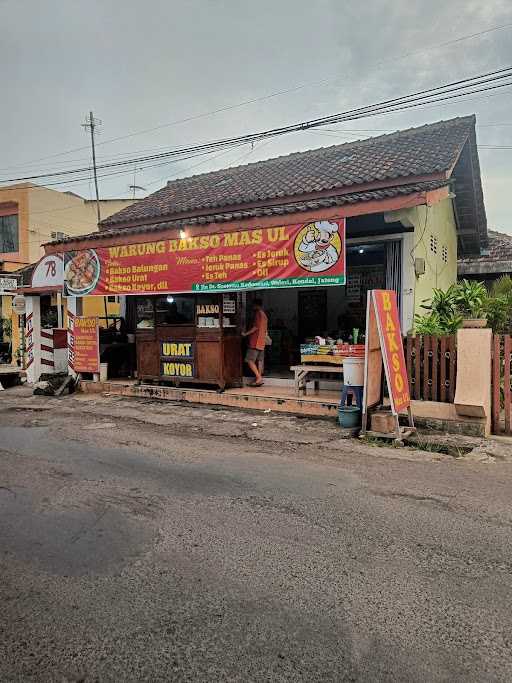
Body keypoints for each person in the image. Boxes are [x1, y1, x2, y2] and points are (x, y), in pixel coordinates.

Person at [242, 298, 268, 387]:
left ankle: (258, 377)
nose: (252, 307)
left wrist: (245, 334)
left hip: (255, 341)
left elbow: (256, 327)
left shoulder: (258, 313)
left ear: (256, 305)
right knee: (260, 361)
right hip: (262, 341)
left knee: (249, 360)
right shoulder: (264, 315)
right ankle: (259, 379)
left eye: (253, 305)